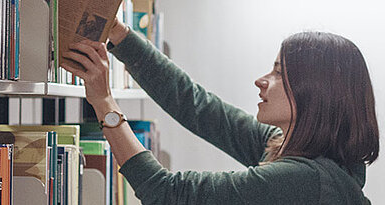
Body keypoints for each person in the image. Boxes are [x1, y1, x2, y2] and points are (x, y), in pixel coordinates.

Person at [60, 19, 379, 204]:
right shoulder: (314, 156)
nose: (262, 80)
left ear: (314, 93)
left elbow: (167, 193)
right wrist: (118, 33)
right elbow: (196, 105)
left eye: (279, 72)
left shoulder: (304, 180)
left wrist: (104, 102)